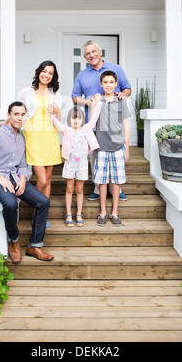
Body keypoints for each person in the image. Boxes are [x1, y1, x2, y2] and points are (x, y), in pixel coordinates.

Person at [0, 61, 62, 228]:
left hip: (50, 137)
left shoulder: (54, 94)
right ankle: (39, 209)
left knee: (48, 179)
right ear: (39, 72)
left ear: (53, 77)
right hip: (33, 137)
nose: (46, 75)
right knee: (41, 180)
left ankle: (41, 216)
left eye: (50, 73)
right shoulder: (26, 92)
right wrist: (0, 124)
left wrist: (58, 113)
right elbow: (17, 112)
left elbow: (58, 121)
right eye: (44, 71)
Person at [0, 101, 54, 264]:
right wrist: (1, 178)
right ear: (8, 115)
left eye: (22, 114)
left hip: (15, 178)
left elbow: (22, 164)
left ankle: (34, 246)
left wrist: (22, 178)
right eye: (16, 114)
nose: (20, 118)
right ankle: (13, 240)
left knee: (43, 202)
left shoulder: (21, 137)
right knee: (11, 204)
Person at [71, 40, 131, 201]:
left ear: (100, 51)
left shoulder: (116, 69)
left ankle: (115, 189)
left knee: (115, 154)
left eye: (93, 51)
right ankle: (98, 188)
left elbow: (127, 88)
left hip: (114, 124)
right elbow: (75, 97)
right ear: (85, 57)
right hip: (93, 124)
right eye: (88, 54)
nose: (91, 55)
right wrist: (88, 101)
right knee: (95, 157)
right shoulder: (82, 75)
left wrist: (123, 95)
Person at [49, 98, 101, 227]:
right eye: (73, 118)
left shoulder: (86, 129)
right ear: (69, 120)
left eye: (78, 118)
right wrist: (52, 112)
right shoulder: (67, 130)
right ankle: (68, 213)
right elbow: (55, 122)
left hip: (82, 163)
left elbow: (94, 119)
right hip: (70, 163)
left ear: (82, 120)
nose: (76, 121)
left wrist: (97, 104)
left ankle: (78, 213)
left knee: (79, 189)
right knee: (69, 188)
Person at [91, 71, 130, 227]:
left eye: (111, 82)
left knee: (116, 180)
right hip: (101, 146)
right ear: (101, 84)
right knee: (101, 181)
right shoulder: (98, 101)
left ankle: (115, 212)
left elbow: (126, 125)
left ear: (116, 84)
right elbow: (92, 123)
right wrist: (94, 102)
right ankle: (103, 212)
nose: (108, 85)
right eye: (105, 82)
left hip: (118, 146)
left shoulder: (121, 101)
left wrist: (126, 148)